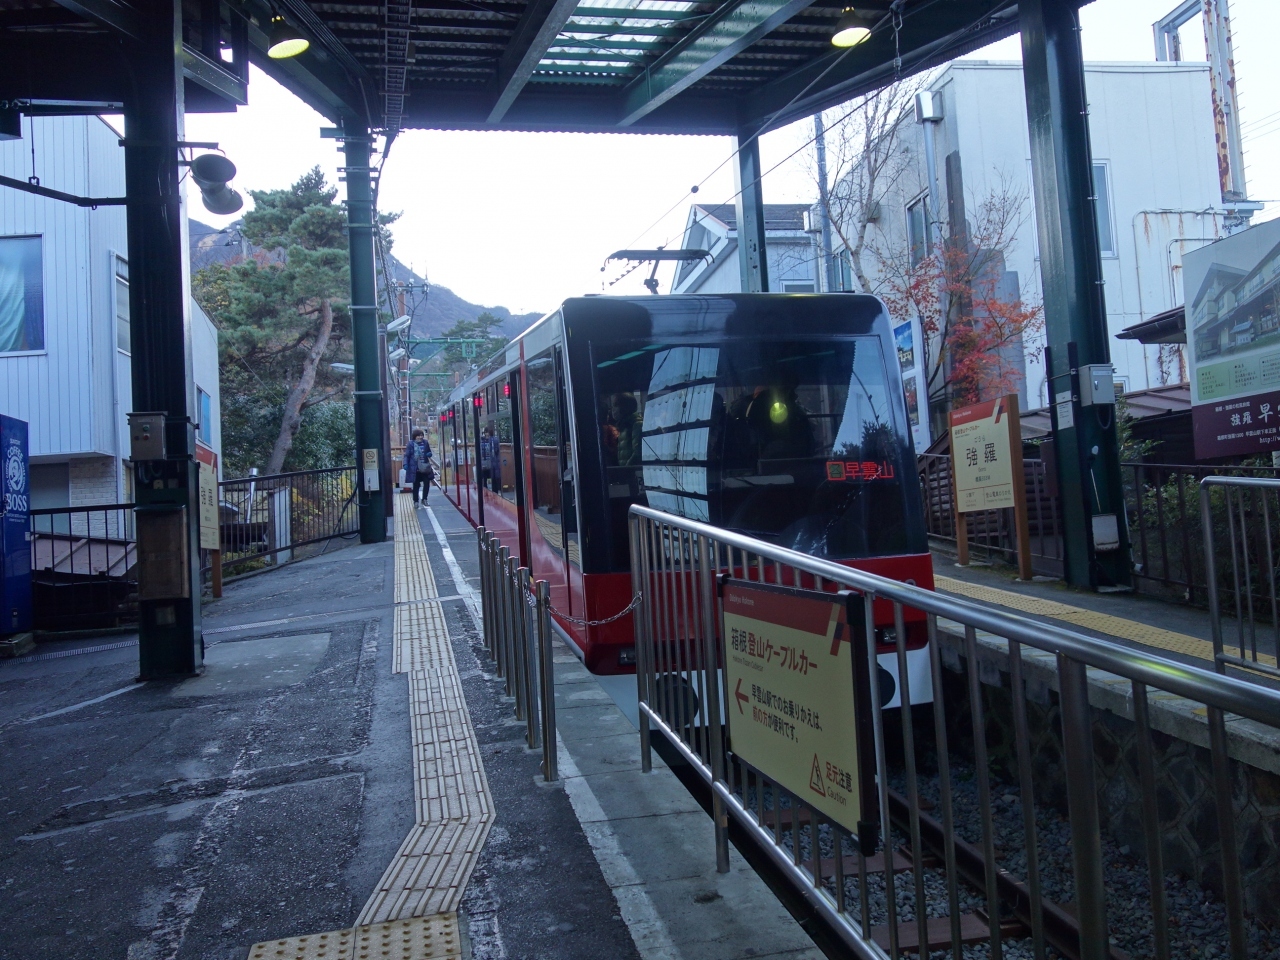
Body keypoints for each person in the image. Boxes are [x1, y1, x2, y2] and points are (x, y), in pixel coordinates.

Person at [404, 428, 434, 506]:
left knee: (427, 483)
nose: (420, 437)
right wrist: (405, 464)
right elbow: (407, 455)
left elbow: (429, 452)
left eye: (421, 435)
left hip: (424, 467)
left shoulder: (425, 443)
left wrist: (429, 454)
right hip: (415, 468)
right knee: (416, 485)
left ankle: (424, 499)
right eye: (418, 435)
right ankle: (416, 501)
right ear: (415, 436)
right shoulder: (411, 444)